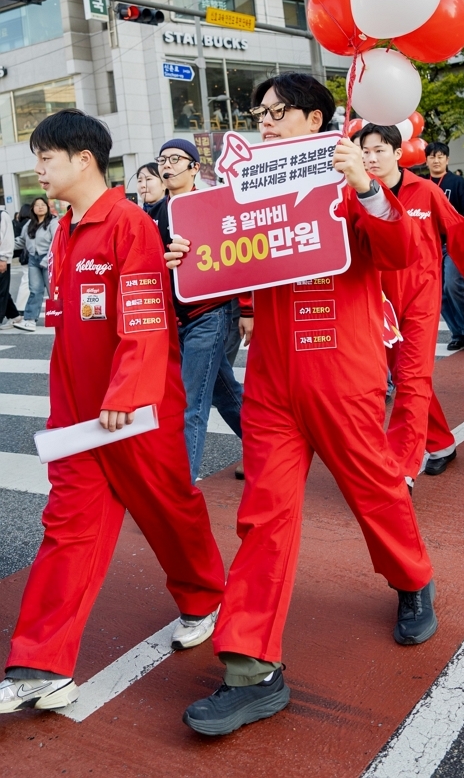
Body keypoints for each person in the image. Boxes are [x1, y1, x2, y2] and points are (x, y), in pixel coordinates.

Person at [167, 73, 436, 736]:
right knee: (263, 517)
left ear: (316, 118)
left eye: (277, 110)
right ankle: (252, 671)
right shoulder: (246, 190)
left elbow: (401, 251)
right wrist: (187, 258)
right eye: (258, 111)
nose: (263, 120)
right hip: (272, 380)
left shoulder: (352, 179)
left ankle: (412, 579)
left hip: (343, 369)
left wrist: (366, 186)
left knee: (375, 490)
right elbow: (222, 269)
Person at [0, 110, 225, 716]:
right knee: (67, 528)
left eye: (45, 157)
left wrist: (127, 392)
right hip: (80, 417)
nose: (37, 169)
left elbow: (146, 318)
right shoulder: (65, 229)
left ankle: (206, 598)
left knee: (169, 509)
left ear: (83, 160)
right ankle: (40, 667)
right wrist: (66, 409)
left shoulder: (129, 224)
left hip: (135, 411)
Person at [359, 124, 464, 483]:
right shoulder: (357, 195)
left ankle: (401, 469)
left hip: (421, 298)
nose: (371, 158)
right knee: (407, 378)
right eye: (365, 151)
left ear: (397, 153)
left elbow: (461, 238)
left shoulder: (425, 191)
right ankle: (440, 443)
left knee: (411, 378)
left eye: (379, 150)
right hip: (379, 305)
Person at [148, 139, 249, 482]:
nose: (167, 165)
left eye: (175, 159)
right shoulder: (155, 214)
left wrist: (247, 309)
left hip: (210, 313)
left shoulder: (210, 205)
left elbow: (238, 256)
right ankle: (267, 446)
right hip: (174, 319)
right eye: (162, 159)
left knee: (189, 403)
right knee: (223, 390)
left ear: (194, 168)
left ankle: (180, 488)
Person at [426, 142, 464, 351]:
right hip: (430, 247)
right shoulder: (422, 184)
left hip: (454, 244)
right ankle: (457, 333)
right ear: (426, 160)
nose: (436, 160)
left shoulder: (457, 182)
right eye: (432, 157)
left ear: (447, 159)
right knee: (438, 293)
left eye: (440, 156)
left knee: (452, 285)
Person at [12, 196, 58, 332]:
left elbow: (56, 242)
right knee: (35, 291)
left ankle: (61, 319)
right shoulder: (29, 224)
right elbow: (21, 241)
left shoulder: (53, 222)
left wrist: (46, 260)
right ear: (33, 208)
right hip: (33, 259)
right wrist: (6, 246)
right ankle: (30, 320)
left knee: (53, 291)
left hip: (49, 259)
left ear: (47, 207)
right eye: (37, 205)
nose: (40, 207)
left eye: (43, 204)